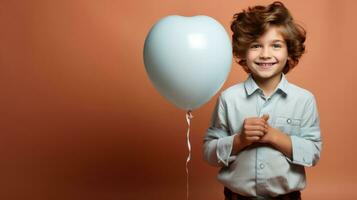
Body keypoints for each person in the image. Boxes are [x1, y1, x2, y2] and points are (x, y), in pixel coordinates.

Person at [202, 1, 322, 200]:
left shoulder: (304, 100)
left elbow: (313, 153)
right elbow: (209, 152)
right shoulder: (228, 98)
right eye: (256, 45)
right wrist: (240, 140)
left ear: (289, 51)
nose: (265, 54)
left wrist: (275, 137)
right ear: (243, 50)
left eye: (276, 45)